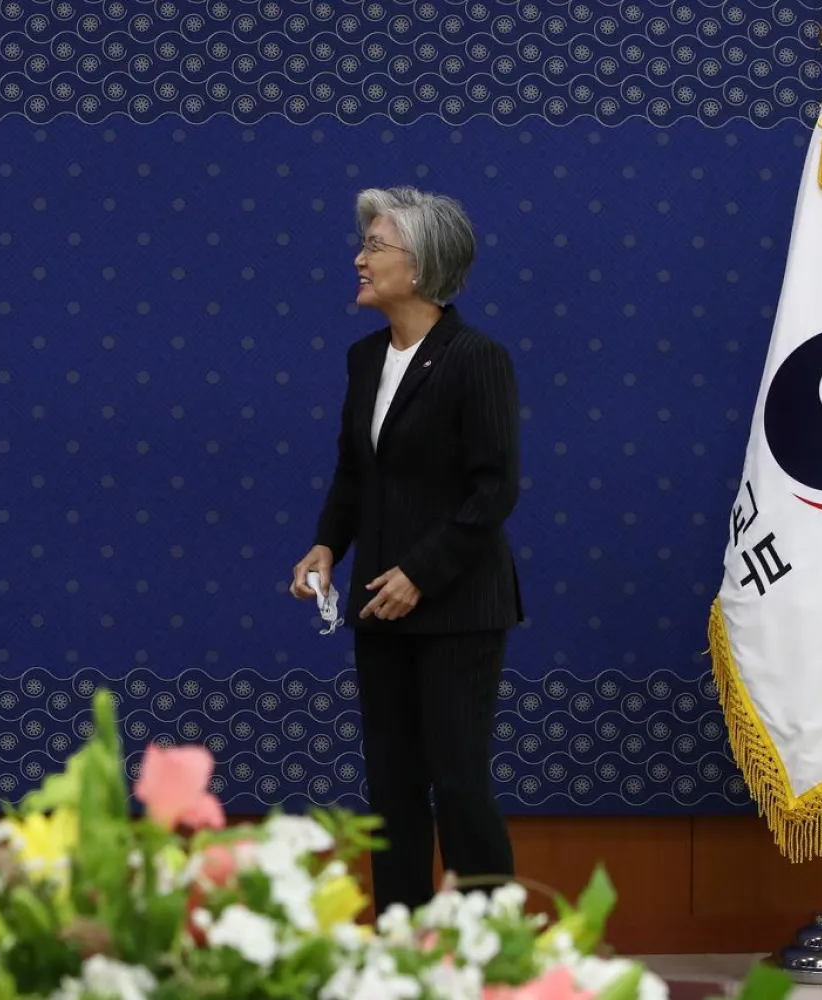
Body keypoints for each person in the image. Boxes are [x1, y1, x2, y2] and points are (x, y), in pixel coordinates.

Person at [290, 186, 523, 914]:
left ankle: (492, 950)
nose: (359, 260)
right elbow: (356, 472)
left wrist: (420, 574)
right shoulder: (365, 360)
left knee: (456, 783)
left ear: (420, 268)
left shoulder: (476, 358)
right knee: (390, 789)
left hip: (457, 605)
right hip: (378, 608)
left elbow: (494, 490)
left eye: (375, 248)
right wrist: (327, 545)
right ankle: (401, 947)